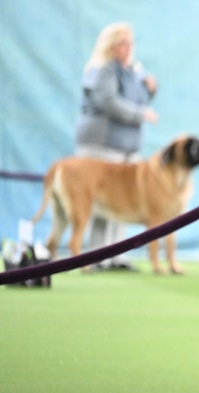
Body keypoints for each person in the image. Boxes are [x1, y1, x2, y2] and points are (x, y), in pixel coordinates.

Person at [75, 22, 158, 271]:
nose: (128, 48)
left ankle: (116, 254)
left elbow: (137, 98)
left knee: (122, 201)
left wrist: (150, 89)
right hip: (101, 145)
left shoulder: (133, 70)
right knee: (101, 202)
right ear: (110, 46)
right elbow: (110, 102)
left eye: (130, 43)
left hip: (125, 146)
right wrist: (140, 114)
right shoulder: (101, 70)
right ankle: (96, 256)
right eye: (123, 43)